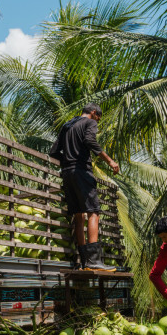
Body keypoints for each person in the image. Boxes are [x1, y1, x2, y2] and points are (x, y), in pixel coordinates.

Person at [48, 103, 120, 270]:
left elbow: (53, 151)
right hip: (81, 171)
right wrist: (109, 160)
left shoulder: (68, 125)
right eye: (98, 118)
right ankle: (94, 261)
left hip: (67, 173)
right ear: (93, 113)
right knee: (93, 212)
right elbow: (89, 140)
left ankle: (84, 262)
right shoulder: (89, 123)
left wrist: (68, 162)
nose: (97, 123)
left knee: (78, 215)